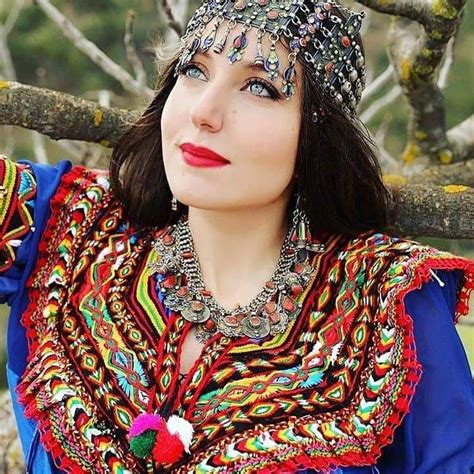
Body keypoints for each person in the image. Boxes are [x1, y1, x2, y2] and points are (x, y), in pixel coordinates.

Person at [1, 0, 473, 472]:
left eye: (259, 86)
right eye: (194, 70)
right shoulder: (66, 223)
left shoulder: (390, 301)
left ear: (317, 134)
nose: (204, 112)